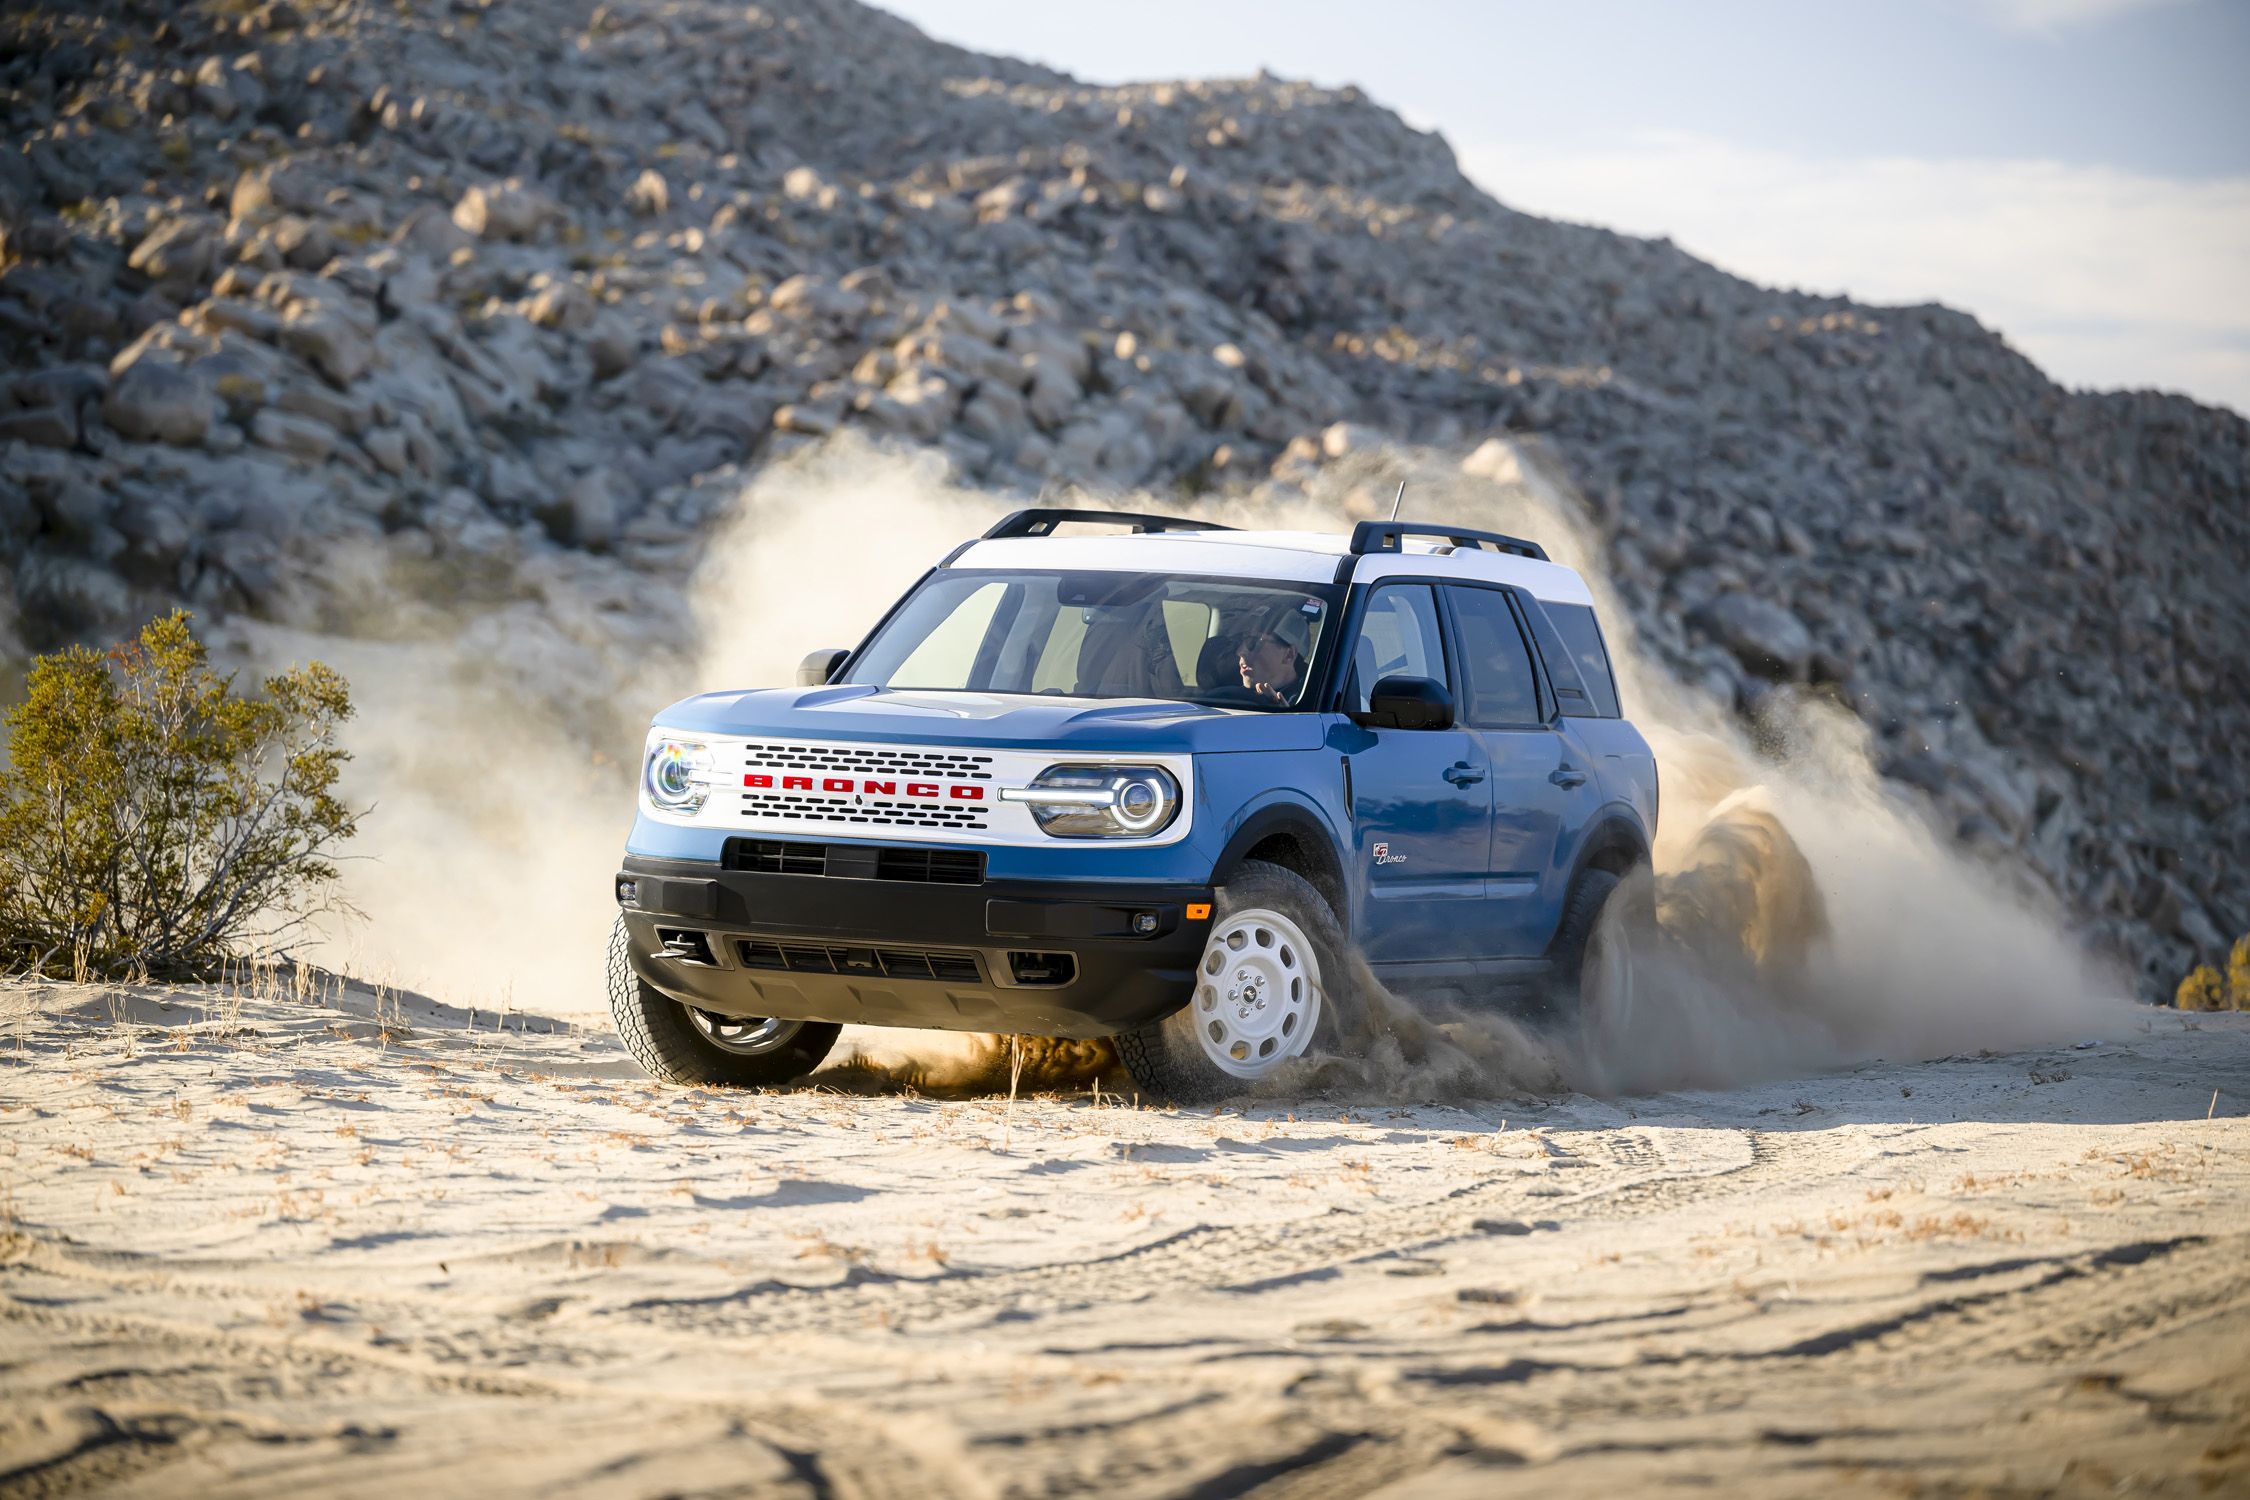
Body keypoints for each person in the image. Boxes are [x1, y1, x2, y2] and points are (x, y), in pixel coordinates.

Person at [1236, 606, 1312, 706]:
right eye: (1243, 640)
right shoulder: (1224, 695)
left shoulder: (1309, 705)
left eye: (1254, 642)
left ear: (1289, 655)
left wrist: (1286, 718)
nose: (1240, 652)